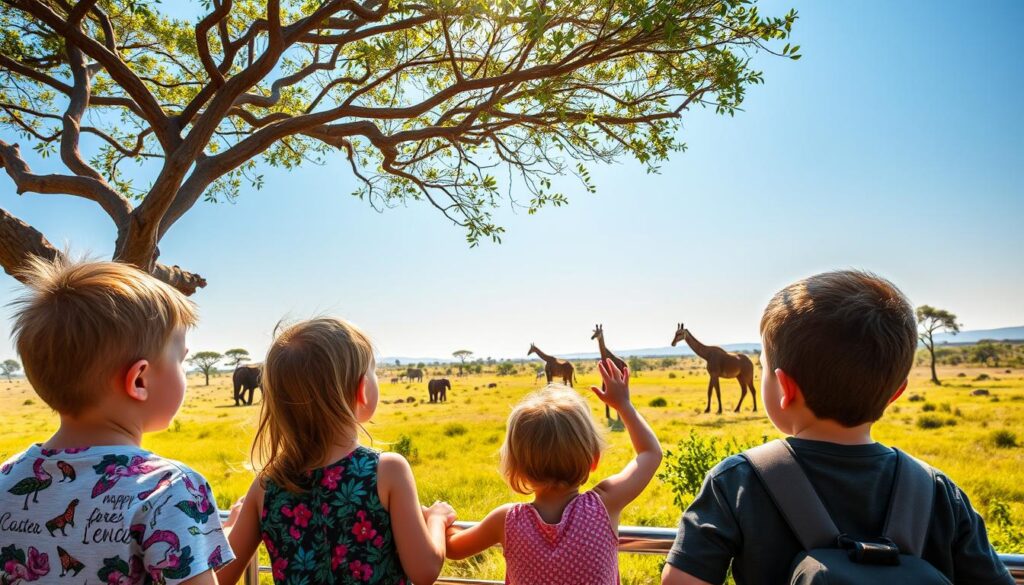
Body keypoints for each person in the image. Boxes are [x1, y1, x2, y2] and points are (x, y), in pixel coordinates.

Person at [662, 270, 1014, 585]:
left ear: (785, 388)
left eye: (763, 367)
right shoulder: (939, 493)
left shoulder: (737, 481)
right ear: (896, 394)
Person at [0, 258, 232, 584]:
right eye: (181, 360)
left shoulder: (5, 481)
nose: (186, 373)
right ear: (139, 380)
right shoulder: (170, 489)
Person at [215, 317, 455, 585]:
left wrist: (229, 528)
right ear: (362, 390)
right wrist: (436, 519)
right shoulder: (387, 471)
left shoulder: (266, 485)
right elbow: (424, 571)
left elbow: (220, 578)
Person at [446, 359, 662, 584]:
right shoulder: (604, 504)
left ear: (517, 468)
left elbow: (453, 548)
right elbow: (650, 454)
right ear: (594, 460)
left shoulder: (506, 521)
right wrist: (623, 405)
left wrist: (437, 518)